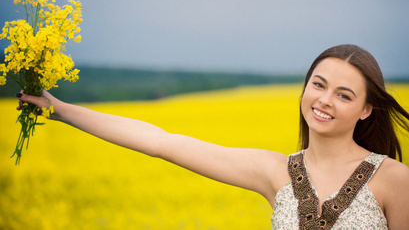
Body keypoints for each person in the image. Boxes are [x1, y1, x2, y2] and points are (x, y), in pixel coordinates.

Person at [15, 44, 409, 229]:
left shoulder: (393, 179)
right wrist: (60, 110)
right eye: (318, 85)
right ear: (304, 89)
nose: (325, 101)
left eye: (344, 95)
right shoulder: (276, 172)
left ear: (366, 109)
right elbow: (160, 141)